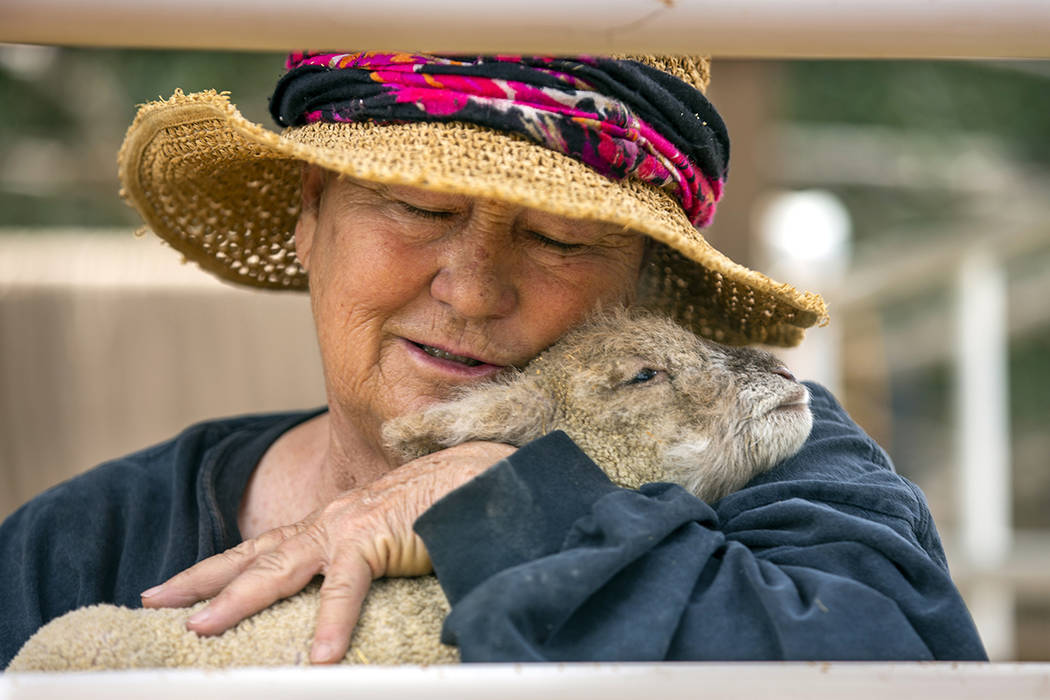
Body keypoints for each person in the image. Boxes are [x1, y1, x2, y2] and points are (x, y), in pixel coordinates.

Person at [0, 52, 986, 668]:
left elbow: (892, 660)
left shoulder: (768, 448)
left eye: (561, 238)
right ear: (310, 216)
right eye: (420, 209)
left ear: (638, 284)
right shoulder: (84, 547)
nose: (472, 289)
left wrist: (513, 502)